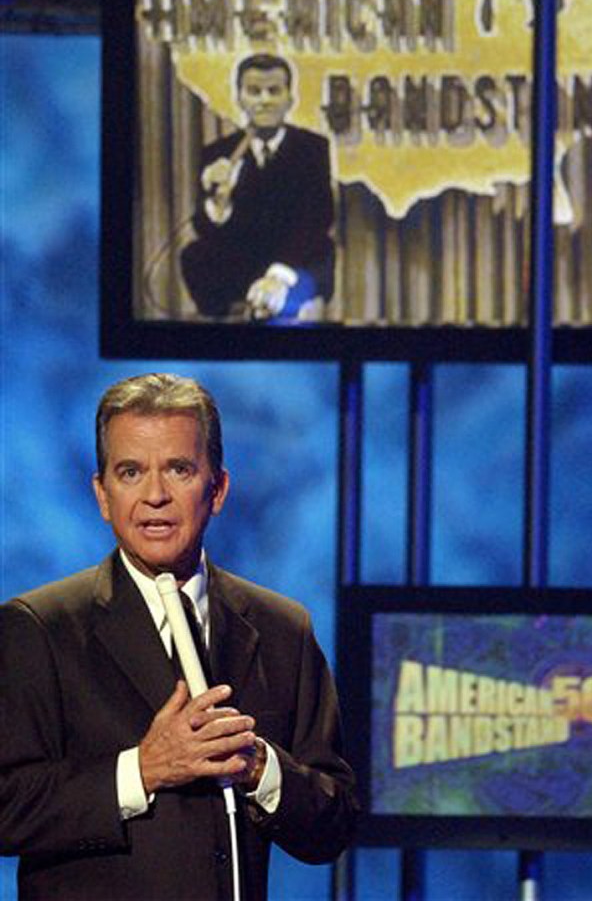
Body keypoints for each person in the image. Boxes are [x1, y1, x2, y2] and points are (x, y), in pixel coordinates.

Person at [0, 373, 357, 900]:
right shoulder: (39, 627)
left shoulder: (283, 630)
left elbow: (333, 823)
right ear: (102, 495)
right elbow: (7, 807)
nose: (155, 496)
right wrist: (143, 769)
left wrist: (260, 767)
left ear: (217, 489)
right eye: (130, 471)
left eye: (179, 469)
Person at [181, 54, 336, 321]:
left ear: (290, 99)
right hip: (243, 263)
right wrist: (220, 204)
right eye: (254, 92)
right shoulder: (219, 153)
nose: (264, 100)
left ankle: (286, 307)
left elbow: (319, 220)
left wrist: (278, 275)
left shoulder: (313, 148)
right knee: (194, 254)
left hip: (294, 262)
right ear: (240, 99)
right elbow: (204, 230)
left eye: (274, 91)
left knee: (322, 254)